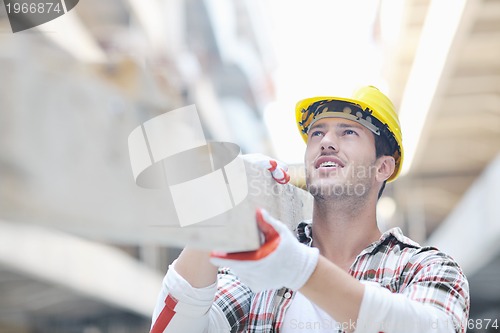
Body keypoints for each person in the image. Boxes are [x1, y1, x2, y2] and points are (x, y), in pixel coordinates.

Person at [150, 86, 470, 333]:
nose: (326, 142)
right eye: (317, 132)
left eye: (348, 132)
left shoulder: (425, 269)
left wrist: (299, 269)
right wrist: (224, 210)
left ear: (383, 167)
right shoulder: (259, 275)